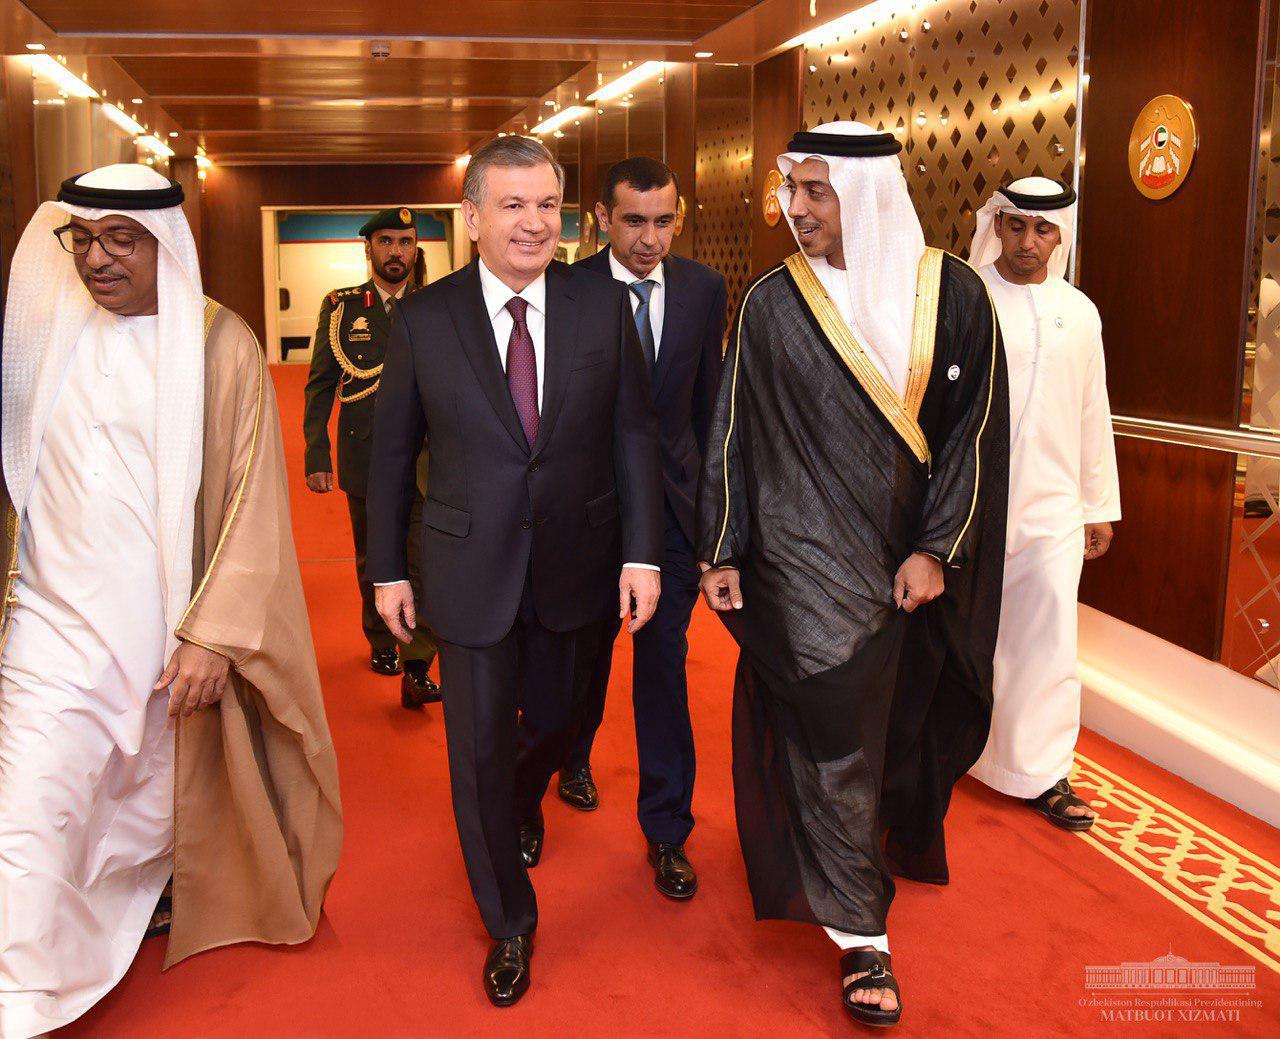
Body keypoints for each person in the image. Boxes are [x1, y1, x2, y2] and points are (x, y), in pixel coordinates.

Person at [0, 164, 341, 1038]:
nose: (99, 259)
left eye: (123, 240)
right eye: (84, 238)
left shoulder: (217, 344)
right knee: (29, 801)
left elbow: (251, 502)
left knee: (144, 796)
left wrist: (214, 637)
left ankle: (136, 894)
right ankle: (22, 999)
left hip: (160, 629)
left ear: (167, 246)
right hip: (46, 622)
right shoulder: (45, 331)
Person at [696, 122, 1008, 1028]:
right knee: (831, 729)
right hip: (800, 564)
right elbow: (732, 430)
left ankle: (867, 859)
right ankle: (860, 933)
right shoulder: (770, 303)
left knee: (895, 730)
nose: (796, 211)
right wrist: (721, 545)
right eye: (791, 191)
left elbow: (974, 433)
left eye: (816, 193)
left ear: (866, 194)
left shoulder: (953, 295)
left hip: (907, 567)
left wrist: (936, 548)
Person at [366, 136, 663, 1007]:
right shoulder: (426, 320)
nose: (535, 224)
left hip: (582, 559)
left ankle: (528, 794)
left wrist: (642, 550)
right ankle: (510, 920)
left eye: (548, 206)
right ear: (471, 220)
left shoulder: (602, 306)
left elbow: (635, 435)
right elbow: (391, 457)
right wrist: (386, 568)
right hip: (467, 570)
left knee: (566, 719)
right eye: (513, 205)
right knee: (478, 752)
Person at [543, 157, 724, 900]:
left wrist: (717, 527)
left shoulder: (704, 291)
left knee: (662, 673)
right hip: (588, 514)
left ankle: (667, 832)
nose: (650, 239)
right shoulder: (566, 288)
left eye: (663, 221)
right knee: (573, 668)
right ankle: (558, 768)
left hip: (675, 518)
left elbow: (711, 411)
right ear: (601, 218)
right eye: (633, 222)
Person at [966, 177, 1121, 829]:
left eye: (1044, 229)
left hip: (1054, 505)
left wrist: (1098, 503)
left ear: (1062, 235)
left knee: (1051, 636)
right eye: (1017, 226)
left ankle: (1045, 770)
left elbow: (1093, 409)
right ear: (996, 226)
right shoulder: (965, 299)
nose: (1029, 241)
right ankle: (961, 750)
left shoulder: (1081, 312)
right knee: (965, 636)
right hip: (971, 505)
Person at [303, 206, 440, 708]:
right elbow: (321, 384)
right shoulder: (343, 307)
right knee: (374, 555)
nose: (396, 252)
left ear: (415, 250)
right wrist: (316, 451)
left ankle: (419, 659)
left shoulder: (434, 304)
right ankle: (382, 640)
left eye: (406, 243)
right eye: (387, 242)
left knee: (422, 555)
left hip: (428, 458)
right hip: (365, 451)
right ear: (369, 249)